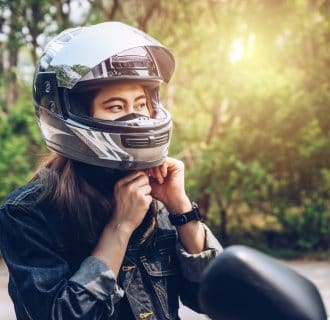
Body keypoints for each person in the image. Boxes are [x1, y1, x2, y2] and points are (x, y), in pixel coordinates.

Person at [0, 21, 223, 320]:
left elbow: (212, 298)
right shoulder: (28, 213)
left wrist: (181, 209)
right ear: (71, 112)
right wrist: (119, 228)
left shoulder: (154, 192)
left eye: (141, 103)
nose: (135, 117)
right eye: (116, 106)